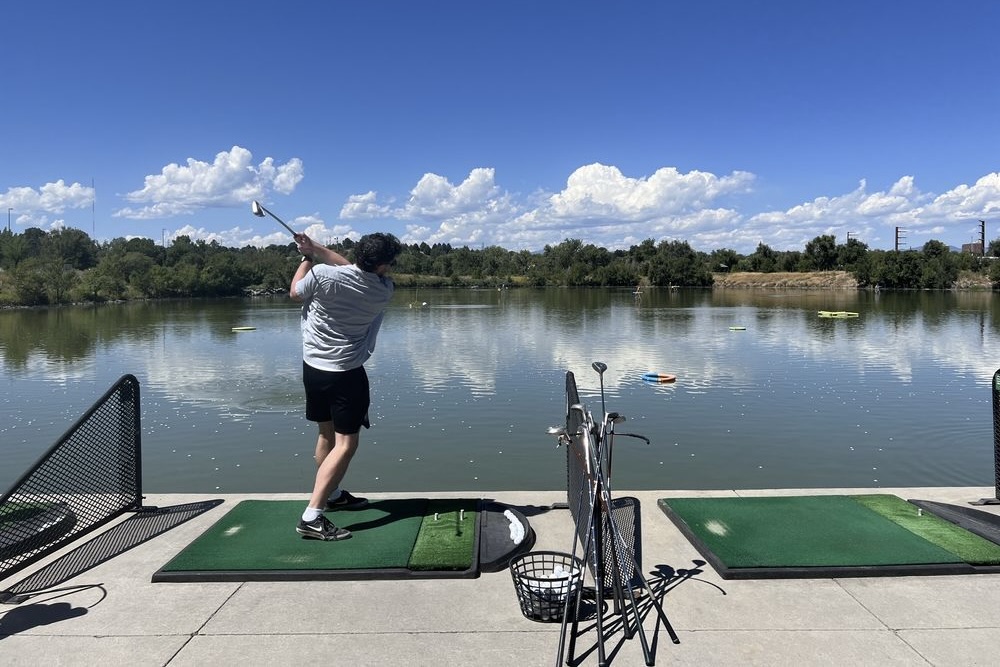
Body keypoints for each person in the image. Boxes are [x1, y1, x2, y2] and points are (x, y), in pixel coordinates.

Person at [289, 231, 403, 541]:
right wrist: (316, 250)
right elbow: (348, 268)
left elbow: (296, 293)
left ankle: (333, 494)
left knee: (326, 434)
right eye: (390, 262)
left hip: (313, 369)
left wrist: (307, 257)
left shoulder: (322, 276)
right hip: (346, 373)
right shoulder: (384, 289)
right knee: (346, 444)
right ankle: (312, 515)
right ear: (383, 265)